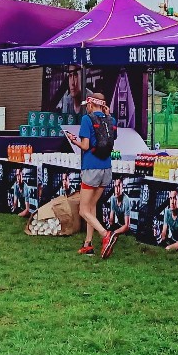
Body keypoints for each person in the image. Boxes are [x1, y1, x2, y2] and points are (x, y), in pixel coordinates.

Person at [66, 92, 117, 258]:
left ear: (90, 104)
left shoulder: (87, 119)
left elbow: (86, 146)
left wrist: (74, 140)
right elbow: (113, 137)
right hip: (106, 168)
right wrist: (108, 115)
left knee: (83, 210)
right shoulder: (111, 119)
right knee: (92, 206)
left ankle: (105, 234)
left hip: (91, 168)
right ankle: (88, 244)